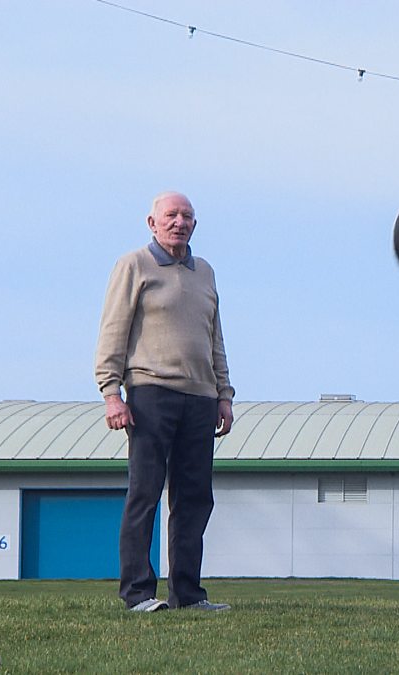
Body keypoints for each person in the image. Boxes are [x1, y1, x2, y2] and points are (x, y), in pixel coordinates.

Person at [95, 191, 235, 612]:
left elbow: (215, 339)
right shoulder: (134, 265)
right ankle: (138, 593)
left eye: (187, 216)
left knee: (194, 498)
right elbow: (113, 331)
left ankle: (188, 595)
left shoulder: (205, 272)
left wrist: (224, 394)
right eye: (171, 215)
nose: (179, 222)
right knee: (146, 493)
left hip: (201, 398)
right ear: (152, 222)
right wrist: (111, 393)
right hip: (150, 394)